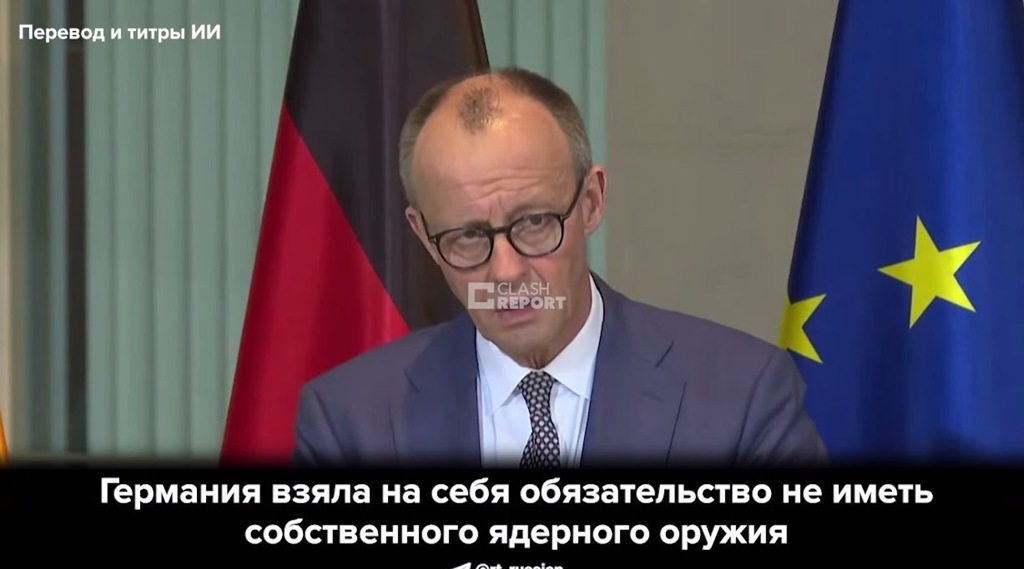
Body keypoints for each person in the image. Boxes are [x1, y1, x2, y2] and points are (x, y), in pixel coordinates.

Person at [293, 67, 828, 468]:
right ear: (424, 237)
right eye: (468, 237)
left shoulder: (742, 398)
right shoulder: (349, 422)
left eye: (533, 223)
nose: (506, 273)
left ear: (591, 202)